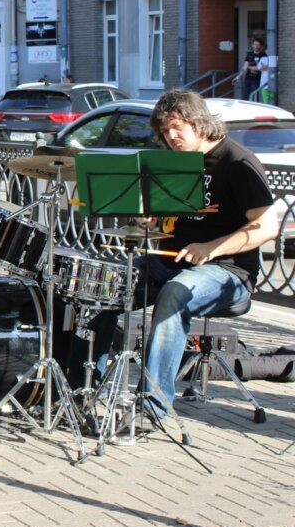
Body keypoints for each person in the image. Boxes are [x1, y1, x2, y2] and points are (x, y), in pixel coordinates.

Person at [75, 89, 278, 417]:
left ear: (198, 123)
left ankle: (152, 406)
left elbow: (266, 227)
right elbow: (158, 219)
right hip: (172, 263)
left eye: (177, 128)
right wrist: (145, 218)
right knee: (102, 284)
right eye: (165, 131)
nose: (171, 137)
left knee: (175, 293)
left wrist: (211, 248)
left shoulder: (236, 162)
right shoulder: (173, 163)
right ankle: (83, 389)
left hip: (229, 272)